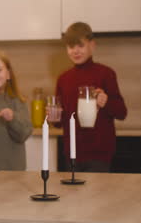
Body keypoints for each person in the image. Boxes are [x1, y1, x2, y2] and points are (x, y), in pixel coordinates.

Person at [53, 22, 127, 172]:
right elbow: (59, 123)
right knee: (73, 195)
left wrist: (106, 102)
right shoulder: (63, 79)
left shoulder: (106, 74)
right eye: (71, 46)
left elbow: (121, 112)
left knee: (96, 195)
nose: (75, 51)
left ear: (92, 46)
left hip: (99, 153)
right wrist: (53, 116)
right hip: (72, 151)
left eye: (80, 46)